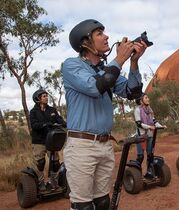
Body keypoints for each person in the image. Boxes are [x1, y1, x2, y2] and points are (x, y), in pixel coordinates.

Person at [62, 19, 146, 210]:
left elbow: (132, 92)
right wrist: (120, 59)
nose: (106, 36)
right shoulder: (71, 65)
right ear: (85, 42)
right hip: (82, 146)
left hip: (105, 144)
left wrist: (133, 62)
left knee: (102, 202)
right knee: (83, 206)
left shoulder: (104, 70)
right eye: (99, 33)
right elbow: (96, 86)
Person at [29, 89, 66, 191]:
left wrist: (64, 123)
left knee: (55, 163)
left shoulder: (52, 110)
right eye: (44, 96)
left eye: (46, 96)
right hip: (39, 141)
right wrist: (45, 124)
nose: (46, 97)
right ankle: (41, 183)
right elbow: (34, 125)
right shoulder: (33, 112)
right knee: (40, 163)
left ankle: (52, 181)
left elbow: (59, 119)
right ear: (38, 99)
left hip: (52, 140)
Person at [134, 93, 166, 179]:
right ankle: (136, 175)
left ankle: (149, 173)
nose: (148, 99)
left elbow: (154, 121)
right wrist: (149, 127)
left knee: (150, 155)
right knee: (140, 157)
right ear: (141, 100)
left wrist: (161, 126)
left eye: (148, 98)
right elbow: (139, 124)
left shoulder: (149, 110)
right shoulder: (137, 110)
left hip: (150, 135)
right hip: (141, 136)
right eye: (146, 98)